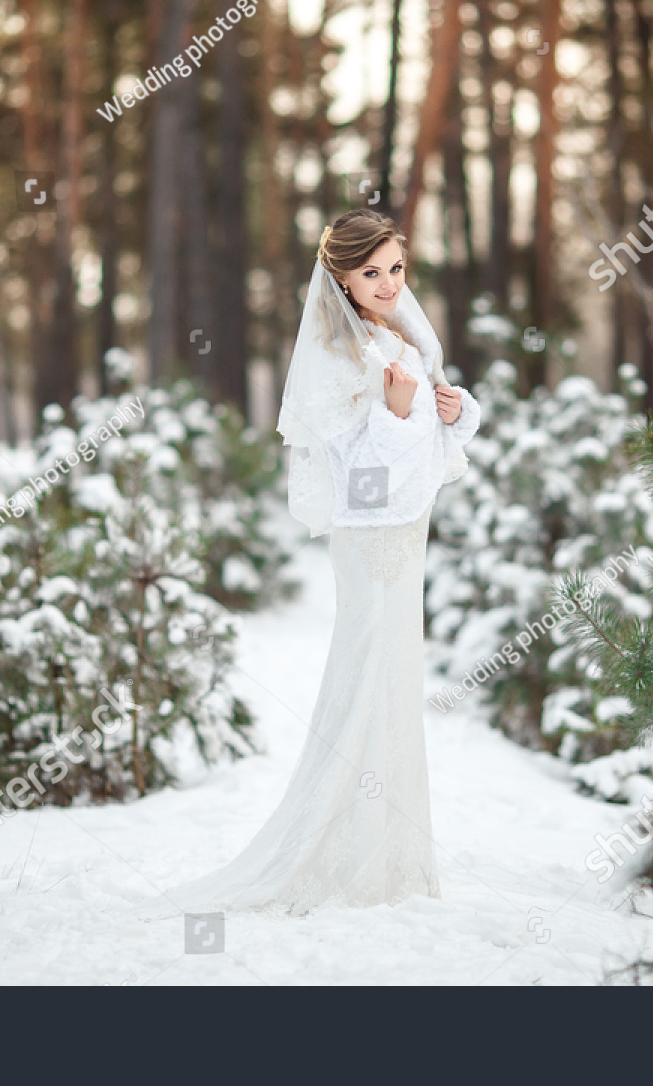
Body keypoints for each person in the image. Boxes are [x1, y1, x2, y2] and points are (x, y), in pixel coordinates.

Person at [155, 209, 481, 915]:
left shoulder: (402, 332)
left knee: (398, 675)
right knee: (366, 671)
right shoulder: (337, 358)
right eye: (371, 272)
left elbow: (432, 437)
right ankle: (340, 849)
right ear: (339, 276)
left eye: (396, 267)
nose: (390, 282)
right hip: (370, 539)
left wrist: (454, 410)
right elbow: (355, 476)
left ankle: (393, 852)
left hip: (408, 528)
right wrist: (395, 415)